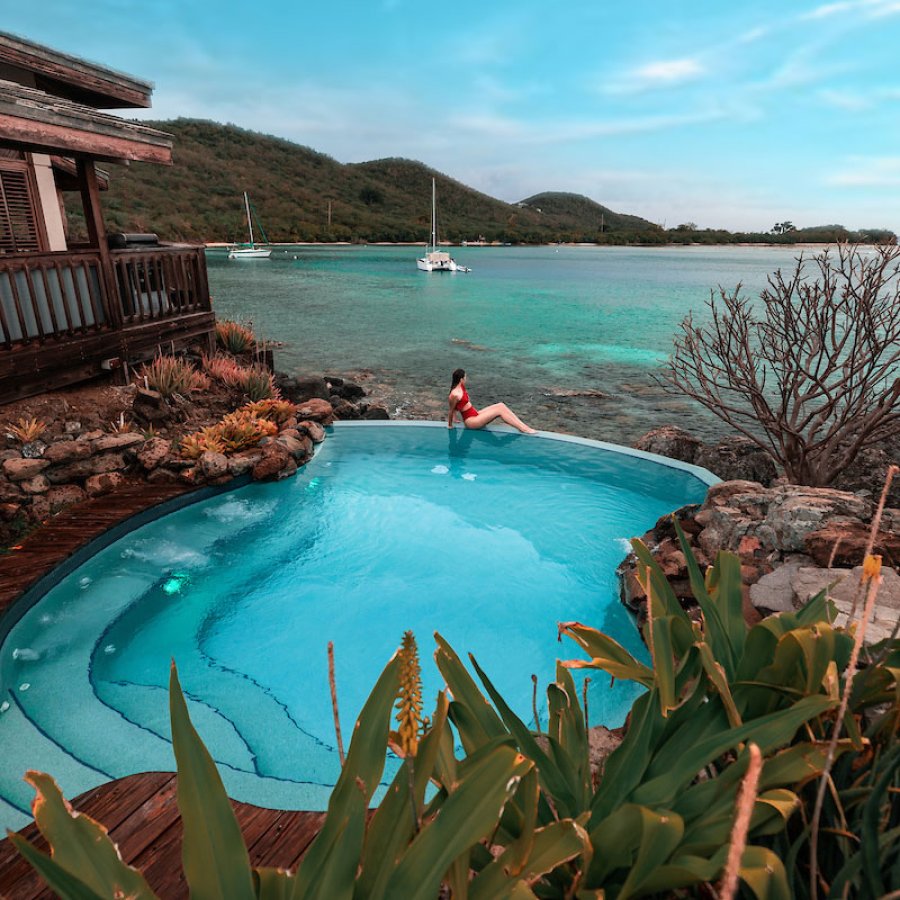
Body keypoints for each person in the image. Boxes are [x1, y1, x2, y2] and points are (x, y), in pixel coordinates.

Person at [447, 368, 537, 433]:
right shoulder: (454, 394)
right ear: (461, 379)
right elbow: (451, 409)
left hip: (475, 414)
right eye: (465, 377)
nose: (466, 379)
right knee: (499, 411)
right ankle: (524, 429)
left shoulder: (461, 387)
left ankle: (523, 426)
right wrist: (450, 425)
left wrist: (455, 418)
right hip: (471, 421)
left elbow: (455, 407)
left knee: (501, 405)